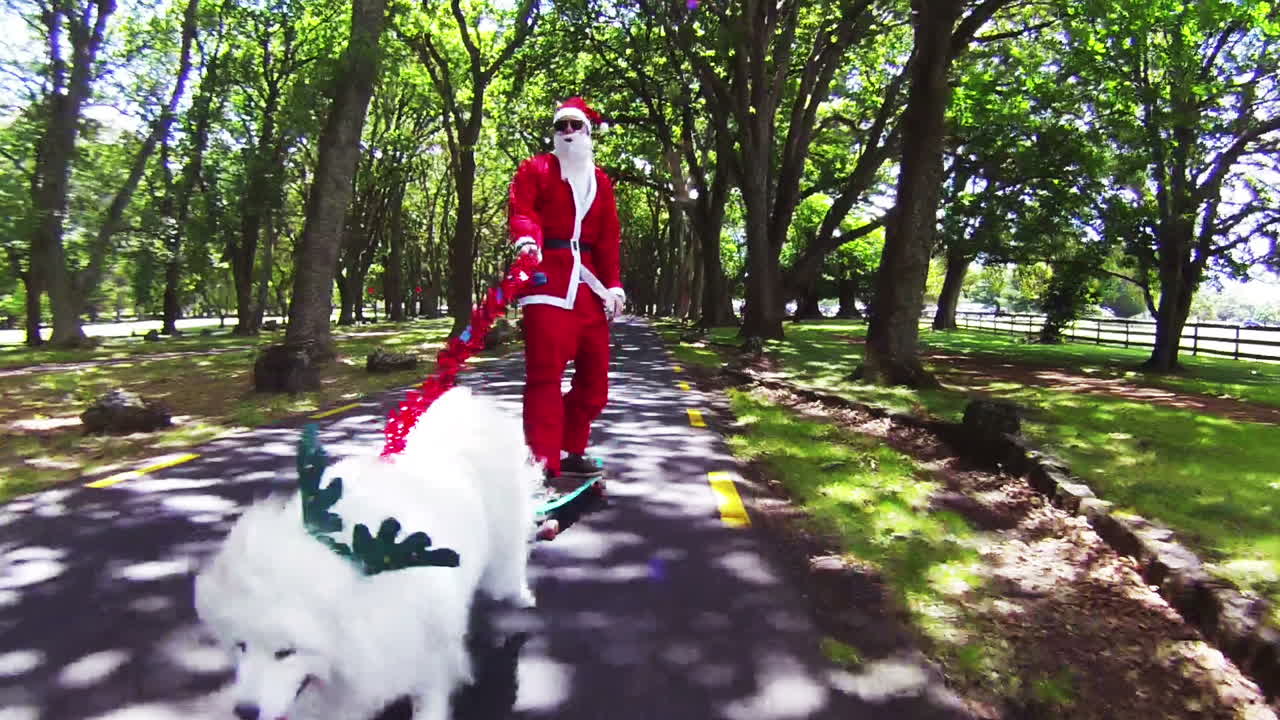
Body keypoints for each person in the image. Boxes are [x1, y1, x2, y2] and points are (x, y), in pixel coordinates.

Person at [508, 96, 625, 481]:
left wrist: (615, 286)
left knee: (595, 384)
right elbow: (523, 210)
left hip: (590, 291)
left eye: (577, 126)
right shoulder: (536, 168)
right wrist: (527, 240)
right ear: (555, 133)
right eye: (562, 127)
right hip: (547, 283)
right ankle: (543, 460)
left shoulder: (602, 182)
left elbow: (608, 239)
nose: (569, 133)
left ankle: (571, 448)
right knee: (545, 376)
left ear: (589, 133)